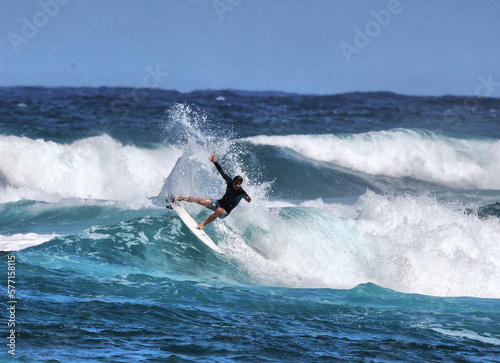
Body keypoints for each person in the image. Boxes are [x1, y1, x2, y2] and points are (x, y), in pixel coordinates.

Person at [174, 155, 251, 229]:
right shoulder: (229, 182)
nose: (237, 185)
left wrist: (248, 199)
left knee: (218, 210)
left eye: (239, 184)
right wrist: (215, 162)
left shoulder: (241, 192)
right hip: (218, 203)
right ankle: (179, 199)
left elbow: (248, 199)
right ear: (233, 181)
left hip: (224, 211)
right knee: (200, 200)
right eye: (236, 183)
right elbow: (221, 171)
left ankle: (202, 225)